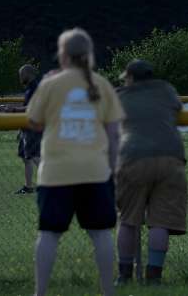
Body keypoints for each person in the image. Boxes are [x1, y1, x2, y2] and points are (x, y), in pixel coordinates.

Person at [27, 28, 125, 296]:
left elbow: (34, 122)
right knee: (101, 234)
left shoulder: (50, 83)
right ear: (88, 54)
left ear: (63, 54)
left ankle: (40, 292)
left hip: (56, 172)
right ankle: (108, 291)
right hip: (95, 170)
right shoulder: (101, 84)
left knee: (49, 234)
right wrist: (113, 170)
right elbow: (114, 135)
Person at [113, 59, 188, 286]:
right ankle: (154, 277)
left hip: (133, 157)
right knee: (160, 223)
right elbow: (177, 107)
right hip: (170, 157)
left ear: (130, 77)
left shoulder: (120, 95)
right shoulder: (166, 89)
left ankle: (124, 276)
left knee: (128, 221)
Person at [13, 64, 42, 194]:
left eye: (22, 75)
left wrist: (13, 109)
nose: (20, 77)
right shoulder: (29, 89)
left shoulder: (36, 88)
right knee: (26, 158)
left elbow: (32, 108)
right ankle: (28, 186)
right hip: (26, 127)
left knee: (34, 156)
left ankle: (54, 182)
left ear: (29, 74)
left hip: (33, 127)